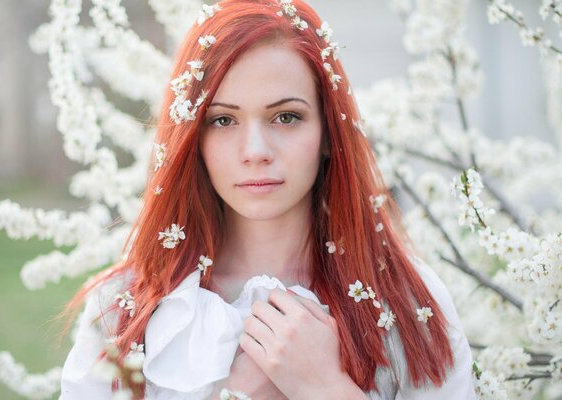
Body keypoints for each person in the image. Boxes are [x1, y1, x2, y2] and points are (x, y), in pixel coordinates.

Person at [58, 0, 477, 399]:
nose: (255, 150)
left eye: (286, 117)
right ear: (193, 139)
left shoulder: (405, 303)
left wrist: (325, 389)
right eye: (223, 120)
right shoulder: (125, 307)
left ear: (329, 132)